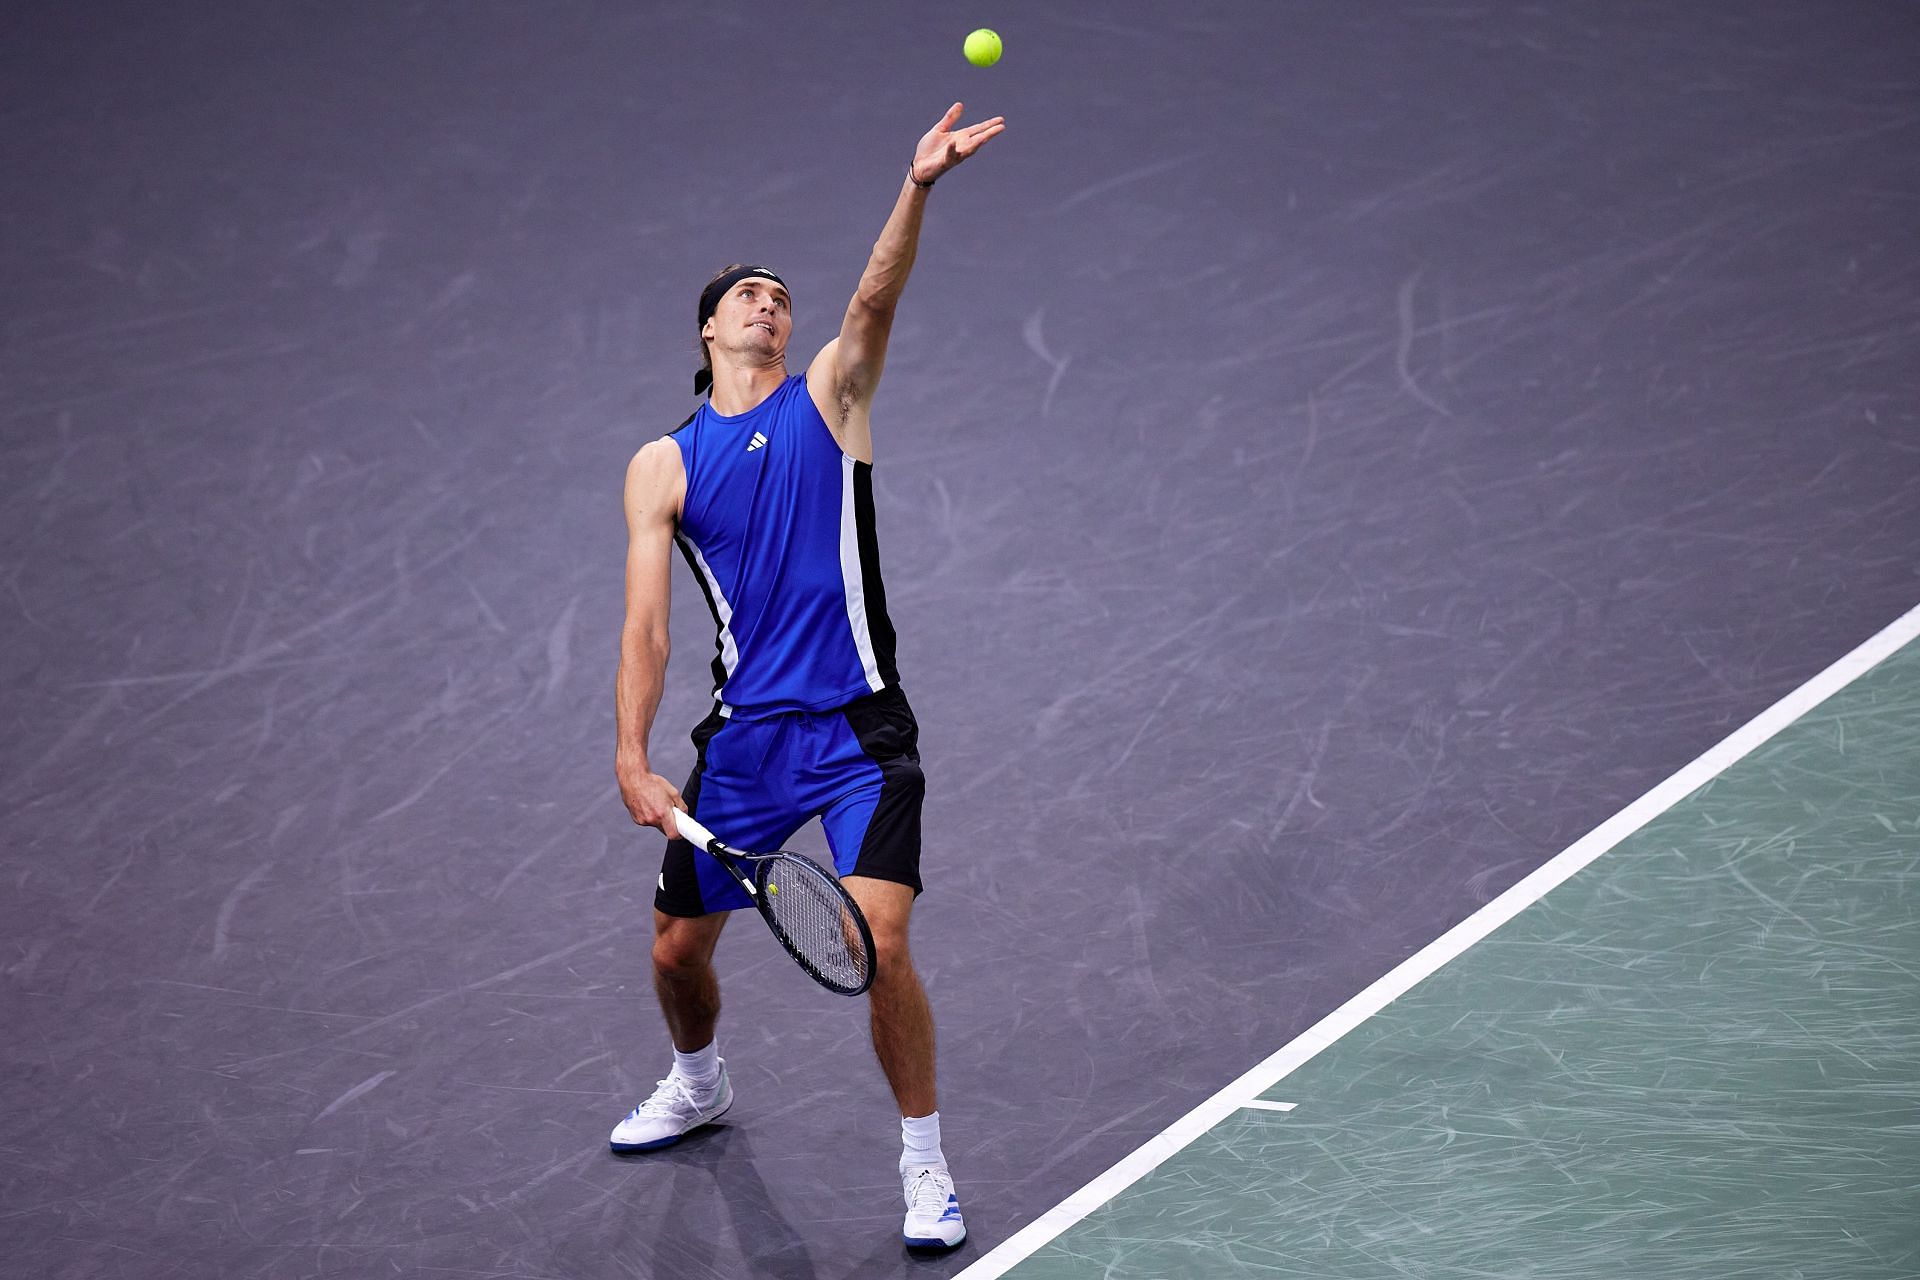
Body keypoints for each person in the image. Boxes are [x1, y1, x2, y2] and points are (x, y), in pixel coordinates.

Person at [610, 103, 1005, 1251]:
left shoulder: (831, 394)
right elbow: (647, 626)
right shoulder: (663, 464)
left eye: (781, 294)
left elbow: (874, 298)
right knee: (676, 951)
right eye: (748, 294)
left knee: (879, 942)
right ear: (707, 331)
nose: (770, 304)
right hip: (743, 743)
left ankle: (924, 1164)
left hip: (858, 733)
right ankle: (699, 1081)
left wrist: (917, 186)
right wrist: (632, 756)